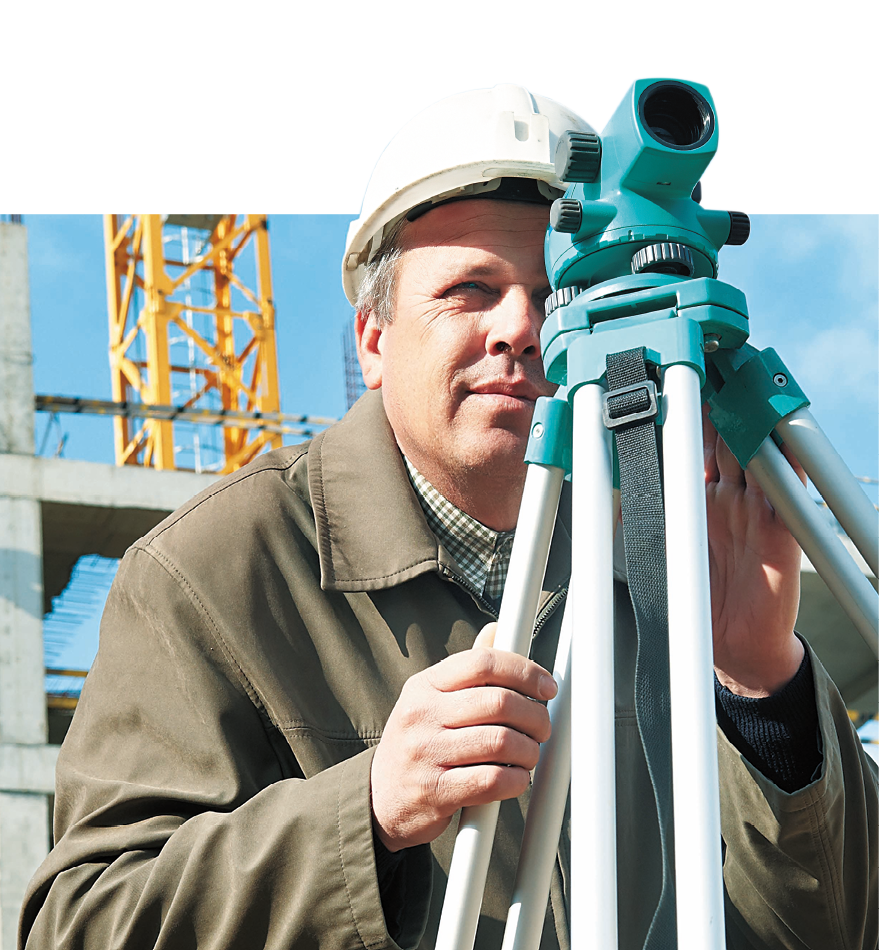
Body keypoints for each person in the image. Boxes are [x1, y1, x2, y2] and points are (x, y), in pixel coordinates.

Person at [19, 84, 879, 950]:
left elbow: (838, 923)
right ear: (372, 338)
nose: (520, 329)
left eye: (556, 294)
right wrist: (367, 811)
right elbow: (83, 927)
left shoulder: (686, 551)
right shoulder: (213, 572)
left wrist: (763, 692)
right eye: (469, 289)